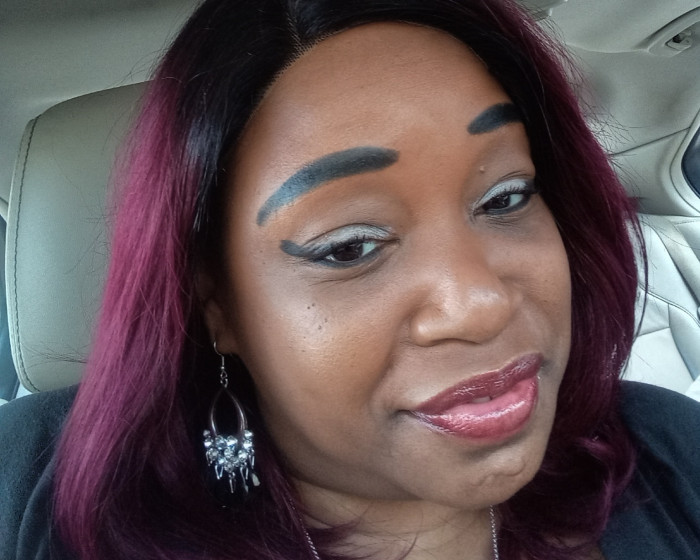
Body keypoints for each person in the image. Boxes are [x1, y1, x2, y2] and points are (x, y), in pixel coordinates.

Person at [1, 1, 699, 559]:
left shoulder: (669, 453)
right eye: (350, 247)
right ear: (217, 304)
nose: (479, 305)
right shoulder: (32, 493)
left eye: (506, 198)